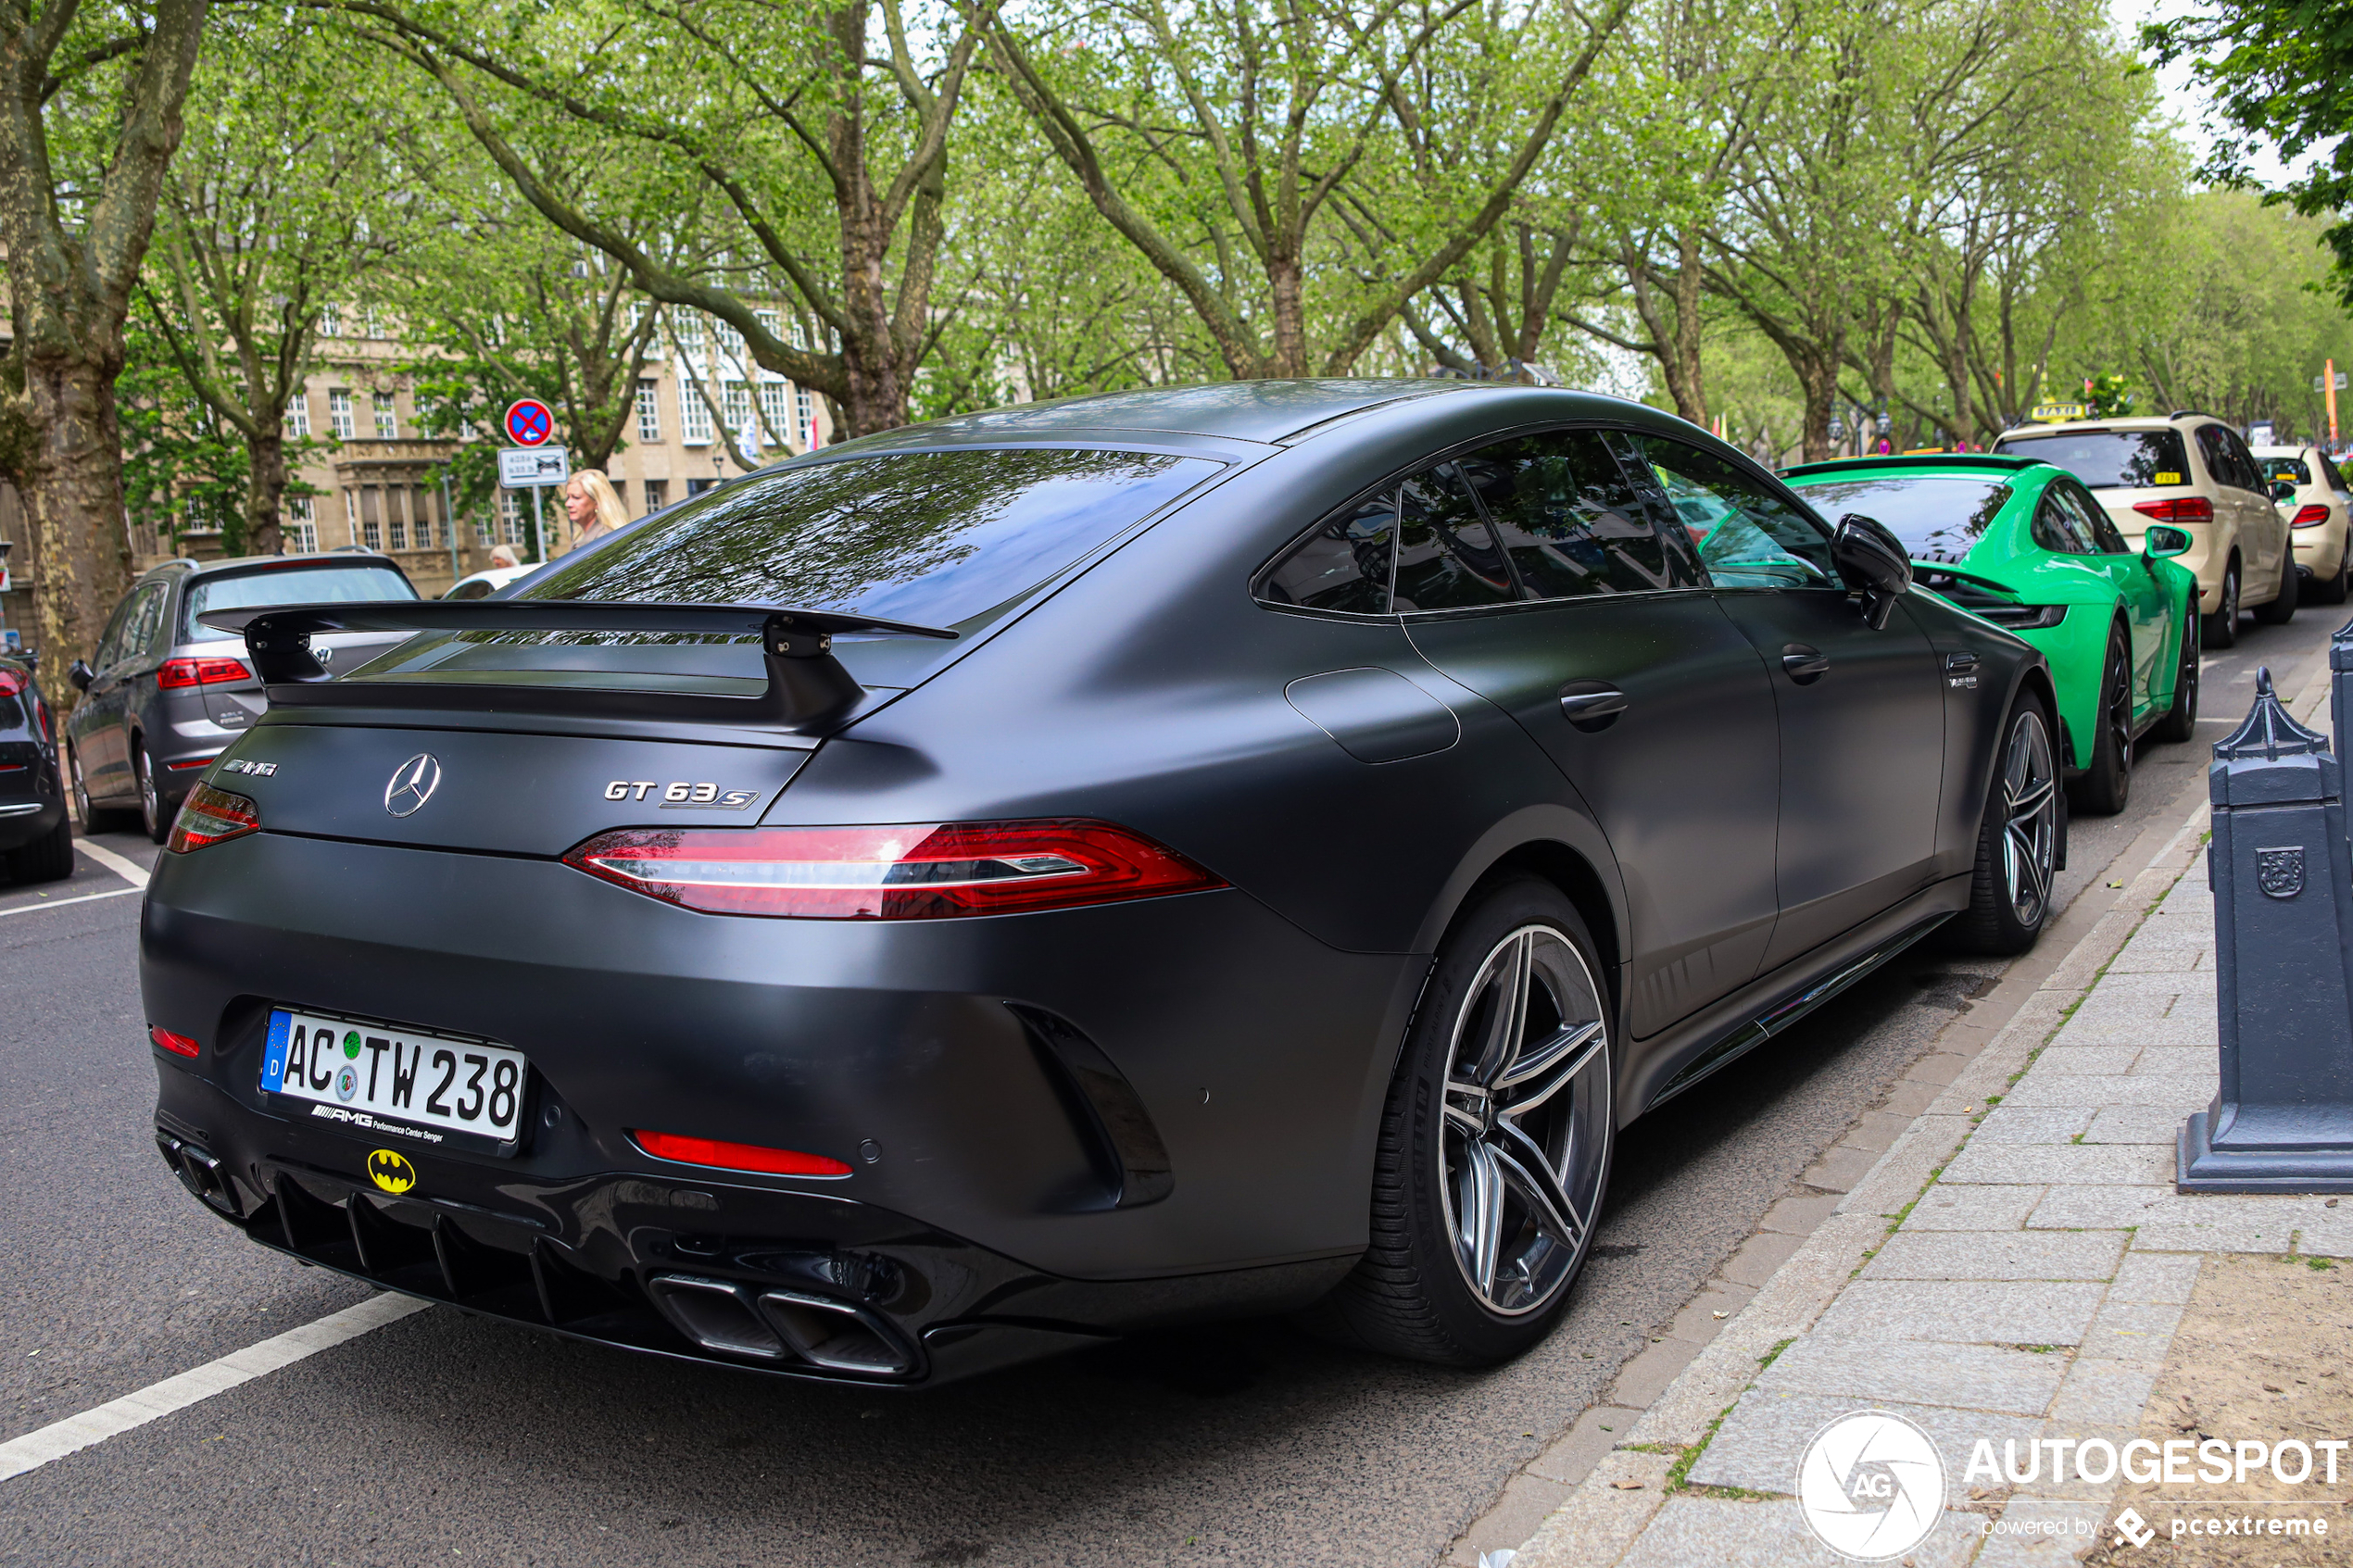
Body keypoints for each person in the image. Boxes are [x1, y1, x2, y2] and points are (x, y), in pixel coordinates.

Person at [561, 470, 629, 554]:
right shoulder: (581, 537)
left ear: (596, 502)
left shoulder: (604, 539)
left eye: (576, 497)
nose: (568, 504)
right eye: (568, 497)